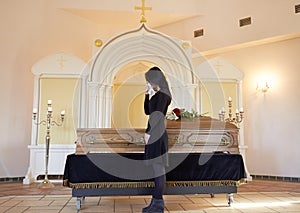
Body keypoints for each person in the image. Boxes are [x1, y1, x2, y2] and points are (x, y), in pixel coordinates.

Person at [142, 66, 172, 213]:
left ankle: (158, 205)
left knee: (158, 170)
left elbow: (157, 116)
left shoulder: (163, 95)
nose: (148, 83)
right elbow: (148, 111)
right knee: (156, 170)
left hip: (157, 135)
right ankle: (156, 204)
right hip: (157, 134)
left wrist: (149, 132)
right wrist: (147, 95)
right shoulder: (159, 94)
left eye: (149, 80)